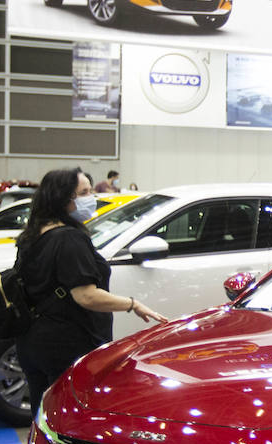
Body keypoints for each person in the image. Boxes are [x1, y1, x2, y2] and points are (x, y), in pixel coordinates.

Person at [14, 167, 166, 411]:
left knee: (42, 414)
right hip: (66, 343)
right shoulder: (69, 239)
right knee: (69, 417)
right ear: (64, 198)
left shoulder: (32, 235)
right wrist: (132, 304)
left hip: (32, 341)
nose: (91, 197)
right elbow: (86, 296)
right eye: (84, 192)